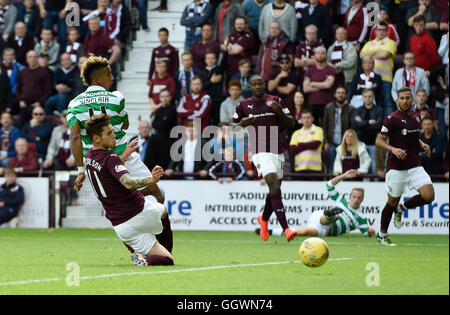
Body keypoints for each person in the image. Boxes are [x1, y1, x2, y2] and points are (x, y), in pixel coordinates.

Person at [68, 56, 173, 254]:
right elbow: (125, 124)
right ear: (98, 79)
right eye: (108, 74)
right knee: (157, 193)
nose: (112, 77)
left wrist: (81, 169)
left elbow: (75, 138)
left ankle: (137, 250)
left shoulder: (74, 104)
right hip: (123, 156)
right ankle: (162, 245)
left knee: (115, 206)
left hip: (96, 163)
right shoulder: (116, 97)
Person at [82, 114, 174, 266]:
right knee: (163, 210)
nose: (114, 136)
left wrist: (123, 155)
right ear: (97, 138)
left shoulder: (90, 156)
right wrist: (151, 179)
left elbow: (107, 168)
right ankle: (167, 251)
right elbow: (128, 182)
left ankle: (139, 258)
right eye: (109, 133)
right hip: (137, 212)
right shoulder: (110, 157)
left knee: (159, 257)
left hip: (120, 225)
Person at [232, 74, 296, 242]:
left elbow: (291, 123)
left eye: (261, 84)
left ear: (265, 85)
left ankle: (264, 219)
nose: (258, 87)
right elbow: (233, 128)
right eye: (255, 84)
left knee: (273, 190)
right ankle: (286, 228)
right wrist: (242, 124)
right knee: (274, 185)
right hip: (259, 151)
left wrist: (279, 112)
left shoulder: (275, 100)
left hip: (278, 150)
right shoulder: (243, 105)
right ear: (250, 87)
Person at [375, 87, 435, 246]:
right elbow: (379, 141)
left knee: (429, 195)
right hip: (396, 168)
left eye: (408, 98)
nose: (405, 101)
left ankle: (402, 209)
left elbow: (413, 136)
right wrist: (392, 149)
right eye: (402, 98)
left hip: (414, 164)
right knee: (391, 202)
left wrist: (422, 144)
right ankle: (382, 235)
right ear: (397, 100)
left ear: (412, 99)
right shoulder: (391, 118)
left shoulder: (416, 116)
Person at [262, 169, 375, 237]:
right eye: (354, 196)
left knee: (303, 232)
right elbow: (329, 185)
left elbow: (367, 233)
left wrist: (371, 232)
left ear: (362, 199)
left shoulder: (362, 218)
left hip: (326, 231)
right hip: (320, 217)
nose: (356, 199)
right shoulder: (342, 200)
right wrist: (344, 176)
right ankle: (329, 214)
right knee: (334, 217)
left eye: (359, 198)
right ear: (350, 196)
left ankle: (272, 231)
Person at [360, 22, 397, 116]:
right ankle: (377, 127)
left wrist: (370, 54)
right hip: (370, 79)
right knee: (373, 104)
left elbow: (384, 55)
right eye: (379, 30)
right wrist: (377, 50)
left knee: (387, 104)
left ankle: (389, 127)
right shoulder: (369, 43)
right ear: (375, 31)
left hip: (385, 78)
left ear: (387, 31)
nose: (381, 32)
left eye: (383, 30)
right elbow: (361, 55)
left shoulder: (391, 43)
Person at [16, 50, 53, 126]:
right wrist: (20, 100)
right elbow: (18, 89)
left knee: (36, 126)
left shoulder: (44, 72)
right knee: (22, 126)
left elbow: (48, 90)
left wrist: (39, 102)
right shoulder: (22, 72)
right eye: (29, 57)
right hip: (25, 105)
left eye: (34, 57)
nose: (32, 59)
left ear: (38, 58)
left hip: (38, 105)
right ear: (26, 59)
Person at [351, 88, 383, 174]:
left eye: (370, 96)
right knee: (362, 167)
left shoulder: (378, 110)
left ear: (373, 97)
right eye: (365, 97)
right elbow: (354, 125)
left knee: (374, 167)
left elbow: (378, 126)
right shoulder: (358, 110)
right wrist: (369, 122)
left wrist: (361, 123)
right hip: (361, 143)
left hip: (374, 143)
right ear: (363, 97)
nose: (368, 98)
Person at [323, 86, 354, 173]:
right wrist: (325, 141)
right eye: (338, 93)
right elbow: (325, 125)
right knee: (332, 160)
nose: (340, 95)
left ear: (346, 95)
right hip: (331, 140)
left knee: (344, 162)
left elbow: (352, 127)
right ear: (335, 94)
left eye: (342, 93)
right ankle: (332, 178)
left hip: (345, 140)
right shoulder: (329, 107)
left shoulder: (351, 108)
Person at [302, 46, 336, 125]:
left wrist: (313, 83)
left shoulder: (330, 69)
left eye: (322, 53)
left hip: (327, 103)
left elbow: (328, 85)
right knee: (313, 126)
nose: (320, 55)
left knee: (328, 126)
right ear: (315, 55)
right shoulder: (309, 71)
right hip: (312, 103)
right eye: (318, 53)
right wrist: (322, 85)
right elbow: (305, 89)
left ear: (326, 55)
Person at [289, 108, 324, 175]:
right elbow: (293, 149)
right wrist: (309, 144)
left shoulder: (318, 130)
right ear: (301, 120)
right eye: (304, 118)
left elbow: (315, 144)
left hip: (315, 168)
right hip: (299, 168)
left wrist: (300, 145)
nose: (306, 120)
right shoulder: (296, 133)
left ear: (312, 119)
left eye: (308, 117)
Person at [294, 24, 324, 91]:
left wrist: (304, 60)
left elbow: (321, 62)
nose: (310, 35)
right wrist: (313, 61)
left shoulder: (320, 46)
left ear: (316, 34)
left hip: (316, 78)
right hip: (302, 77)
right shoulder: (301, 46)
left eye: (313, 33)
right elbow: (296, 63)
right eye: (308, 33)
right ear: (305, 34)